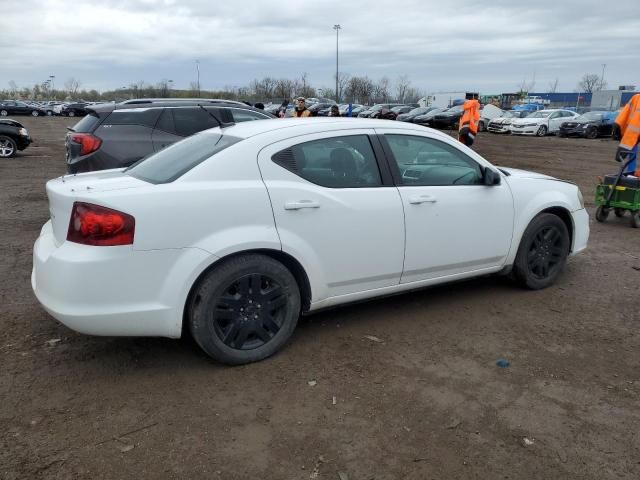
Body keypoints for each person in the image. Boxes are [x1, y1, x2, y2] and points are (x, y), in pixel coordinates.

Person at [614, 93, 640, 176]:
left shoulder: (636, 98)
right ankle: (630, 174)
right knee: (632, 153)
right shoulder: (637, 98)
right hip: (632, 136)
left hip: (632, 136)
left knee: (632, 153)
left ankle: (630, 174)